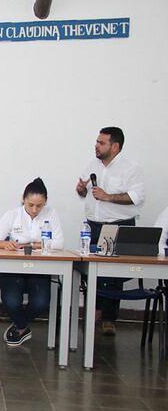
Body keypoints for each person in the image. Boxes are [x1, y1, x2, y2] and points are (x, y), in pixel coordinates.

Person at [75, 127, 146, 335]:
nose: (96, 146)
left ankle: (109, 319)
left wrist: (109, 196)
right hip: (93, 225)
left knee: (113, 273)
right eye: (96, 141)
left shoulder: (131, 168)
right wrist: (80, 189)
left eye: (101, 143)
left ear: (115, 146)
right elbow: (84, 192)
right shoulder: (92, 164)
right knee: (92, 271)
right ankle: (93, 312)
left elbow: (136, 197)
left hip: (118, 225)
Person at [0, 178, 64, 347]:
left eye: (39, 205)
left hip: (39, 269)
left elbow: (59, 243)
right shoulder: (12, 214)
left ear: (45, 202)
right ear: (23, 199)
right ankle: (23, 327)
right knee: (11, 301)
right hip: (13, 268)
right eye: (31, 205)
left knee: (41, 302)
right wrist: (5, 244)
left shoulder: (50, 214)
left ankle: (19, 327)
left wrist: (33, 245)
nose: (35, 209)